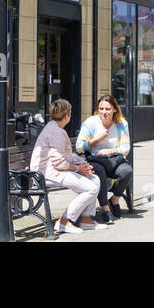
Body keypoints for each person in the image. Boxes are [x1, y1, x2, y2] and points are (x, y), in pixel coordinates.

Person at [31, 99, 108, 234]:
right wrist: (78, 168)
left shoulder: (54, 128)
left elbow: (64, 156)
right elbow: (59, 163)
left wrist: (81, 163)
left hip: (54, 171)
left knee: (94, 179)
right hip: (48, 174)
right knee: (91, 187)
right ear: (67, 115)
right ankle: (65, 221)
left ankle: (86, 219)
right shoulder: (57, 132)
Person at [76, 94, 133, 223]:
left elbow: (125, 148)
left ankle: (114, 200)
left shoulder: (121, 124)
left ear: (114, 110)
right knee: (99, 172)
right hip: (95, 159)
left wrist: (109, 150)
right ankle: (105, 208)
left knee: (127, 171)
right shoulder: (91, 123)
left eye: (107, 109)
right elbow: (79, 147)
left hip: (114, 159)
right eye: (101, 109)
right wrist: (96, 140)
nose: (104, 112)